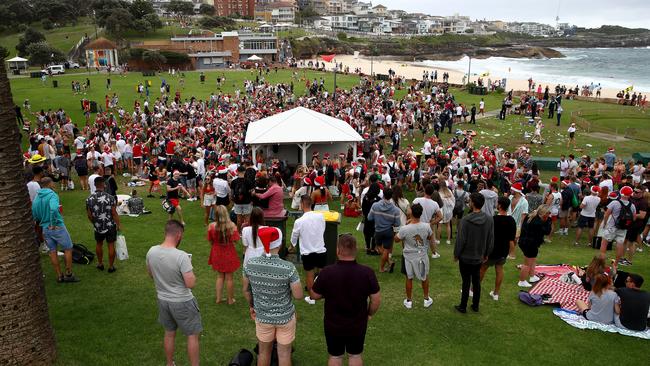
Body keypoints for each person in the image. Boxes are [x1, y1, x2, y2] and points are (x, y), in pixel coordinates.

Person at [310, 234, 381, 366]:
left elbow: (314, 295)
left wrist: (326, 291)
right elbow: (376, 300)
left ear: (338, 250)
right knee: (355, 355)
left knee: (335, 356)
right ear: (356, 250)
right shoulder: (367, 272)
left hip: (333, 323)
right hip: (357, 323)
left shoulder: (327, 272)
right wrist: (369, 313)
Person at [243, 226, 303, 366]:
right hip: (285, 318)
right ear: (280, 243)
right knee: (284, 354)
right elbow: (299, 295)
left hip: (262, 316)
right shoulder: (289, 267)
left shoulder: (250, 265)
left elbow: (246, 290)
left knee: (263, 353)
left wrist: (252, 306)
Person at [146, 220, 201, 366]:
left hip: (163, 300)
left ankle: (170, 364)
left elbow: (151, 274)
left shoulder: (151, 251)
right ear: (179, 234)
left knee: (169, 333)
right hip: (182, 301)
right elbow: (191, 283)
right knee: (192, 336)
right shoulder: (181, 256)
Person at [32, 177, 80, 283]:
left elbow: (34, 211)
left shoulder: (37, 196)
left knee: (52, 251)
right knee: (68, 248)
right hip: (56, 226)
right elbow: (54, 209)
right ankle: (69, 274)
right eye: (52, 182)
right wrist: (53, 224)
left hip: (45, 228)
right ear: (49, 184)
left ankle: (59, 275)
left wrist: (42, 221)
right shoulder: (52, 195)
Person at [454, 193, 494, 313]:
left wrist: (456, 254)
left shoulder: (466, 220)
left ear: (473, 203)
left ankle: (463, 306)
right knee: (476, 281)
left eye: (470, 201)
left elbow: (460, 240)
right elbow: (490, 239)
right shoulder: (488, 219)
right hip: (478, 256)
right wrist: (486, 253)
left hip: (466, 256)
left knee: (466, 281)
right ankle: (475, 305)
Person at [395, 203, 434, 309]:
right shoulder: (426, 226)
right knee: (424, 277)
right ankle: (426, 299)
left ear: (411, 213)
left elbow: (396, 239)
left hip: (408, 256)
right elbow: (430, 237)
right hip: (421, 254)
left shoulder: (405, 228)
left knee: (409, 277)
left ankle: (409, 301)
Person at [290, 196, 326, 305]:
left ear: (302, 204)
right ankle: (322, 294)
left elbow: (294, 236)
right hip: (320, 249)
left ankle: (312, 297)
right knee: (321, 273)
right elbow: (322, 229)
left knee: (310, 275)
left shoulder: (299, 221)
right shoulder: (320, 216)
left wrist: (292, 246)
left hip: (308, 252)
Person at [481, 197, 515, 301]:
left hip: (492, 250)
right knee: (499, 269)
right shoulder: (511, 220)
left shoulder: (493, 219)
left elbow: (487, 236)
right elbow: (511, 239)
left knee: (482, 269)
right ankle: (496, 293)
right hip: (503, 251)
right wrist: (511, 252)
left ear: (499, 205)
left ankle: (473, 290)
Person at [86, 177, 121, 273]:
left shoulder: (89, 199)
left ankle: (100, 263)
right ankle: (111, 266)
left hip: (97, 226)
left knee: (99, 244)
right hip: (110, 225)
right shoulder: (111, 197)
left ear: (94, 185)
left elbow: (89, 215)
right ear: (104, 185)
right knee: (110, 245)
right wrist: (118, 224)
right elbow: (114, 213)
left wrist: (94, 222)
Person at [208, 205, 241, 305]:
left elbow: (210, 241)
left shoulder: (211, 226)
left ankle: (218, 298)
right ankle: (230, 299)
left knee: (220, 276)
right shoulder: (232, 226)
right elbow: (236, 240)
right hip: (229, 252)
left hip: (217, 252)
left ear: (216, 215)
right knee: (229, 278)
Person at [368, 187, 401, 273]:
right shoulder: (395, 210)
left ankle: (383, 267)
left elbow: (369, 217)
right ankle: (388, 263)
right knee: (386, 249)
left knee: (379, 247)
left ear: (383, 195)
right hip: (389, 231)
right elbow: (397, 223)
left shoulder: (375, 205)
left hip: (378, 230)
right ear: (391, 196)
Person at [517, 205, 552, 287]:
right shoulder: (538, 222)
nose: (549, 215)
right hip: (529, 244)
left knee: (533, 259)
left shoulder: (530, 216)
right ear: (544, 214)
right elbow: (547, 231)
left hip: (525, 242)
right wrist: (548, 221)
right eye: (548, 213)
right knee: (527, 263)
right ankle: (522, 281)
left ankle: (532, 276)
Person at [601, 186, 636, 264]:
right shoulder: (632, 205)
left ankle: (602, 261)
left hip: (612, 226)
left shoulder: (614, 203)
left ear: (621, 193)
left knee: (604, 243)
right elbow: (633, 219)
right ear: (630, 194)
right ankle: (616, 263)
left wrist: (605, 224)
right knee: (620, 245)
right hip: (623, 228)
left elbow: (606, 214)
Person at [413, 184, 443, 259]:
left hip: (416, 223)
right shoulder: (435, 204)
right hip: (426, 225)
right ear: (432, 193)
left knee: (417, 241)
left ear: (424, 191)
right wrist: (431, 223)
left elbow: (410, 211)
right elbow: (440, 217)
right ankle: (433, 253)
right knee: (429, 239)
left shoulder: (417, 200)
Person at [507, 183, 528, 258]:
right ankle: (509, 252)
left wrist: (520, 226)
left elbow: (524, 214)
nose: (510, 190)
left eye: (512, 189)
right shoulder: (510, 197)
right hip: (508, 221)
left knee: (513, 239)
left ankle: (512, 254)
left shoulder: (524, 201)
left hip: (517, 223)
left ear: (516, 190)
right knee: (508, 239)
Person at [231, 165, 255, 231]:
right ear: (244, 172)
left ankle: (239, 232)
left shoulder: (234, 182)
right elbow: (252, 193)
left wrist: (233, 200)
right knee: (247, 219)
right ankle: (246, 232)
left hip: (237, 202)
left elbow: (232, 193)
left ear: (237, 172)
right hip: (247, 201)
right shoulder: (249, 181)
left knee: (239, 219)